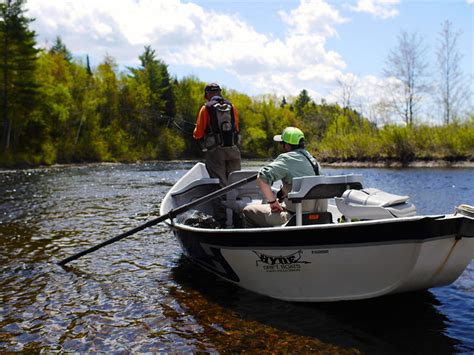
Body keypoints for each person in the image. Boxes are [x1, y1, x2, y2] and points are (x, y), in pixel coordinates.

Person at [243, 127, 327, 227]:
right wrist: (283, 192)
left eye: (281, 143)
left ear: (287, 145)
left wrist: (273, 202)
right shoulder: (314, 161)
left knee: (247, 211)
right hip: (321, 217)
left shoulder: (286, 159)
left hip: (295, 218)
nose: (281, 146)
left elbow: (261, 177)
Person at [193, 83, 241, 186]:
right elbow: (236, 129)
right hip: (233, 149)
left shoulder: (206, 108)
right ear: (220, 93)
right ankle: (235, 199)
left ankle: (223, 200)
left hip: (215, 152)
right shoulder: (231, 107)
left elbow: (198, 134)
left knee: (220, 183)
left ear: (207, 94)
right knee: (235, 180)